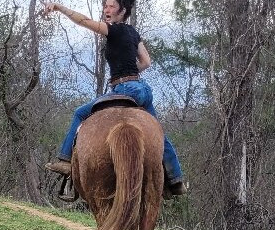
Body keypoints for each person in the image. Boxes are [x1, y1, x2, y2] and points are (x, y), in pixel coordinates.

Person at [43, 0, 187, 196]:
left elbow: (83, 21)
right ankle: (175, 179)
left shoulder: (114, 30)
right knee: (158, 133)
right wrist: (128, 71)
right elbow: (146, 61)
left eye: (111, 6)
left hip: (124, 88)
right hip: (142, 89)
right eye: (105, 6)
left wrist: (59, 7)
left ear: (123, 10)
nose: (106, 10)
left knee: (80, 113)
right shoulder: (132, 32)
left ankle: (65, 161)